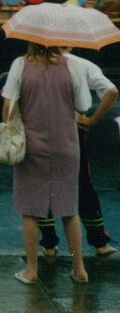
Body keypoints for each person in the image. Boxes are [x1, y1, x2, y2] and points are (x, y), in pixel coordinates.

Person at [1, 43, 90, 284]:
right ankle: (79, 268)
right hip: (67, 145)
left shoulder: (20, 65)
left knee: (30, 209)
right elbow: (83, 106)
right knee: (69, 209)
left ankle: (31, 270)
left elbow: (8, 106)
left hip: (31, 145)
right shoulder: (73, 66)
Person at [38, 51, 119, 259]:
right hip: (74, 129)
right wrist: (92, 120)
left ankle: (48, 244)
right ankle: (99, 241)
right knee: (83, 185)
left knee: (44, 184)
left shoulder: (32, 65)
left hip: (43, 130)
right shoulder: (82, 64)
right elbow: (112, 92)